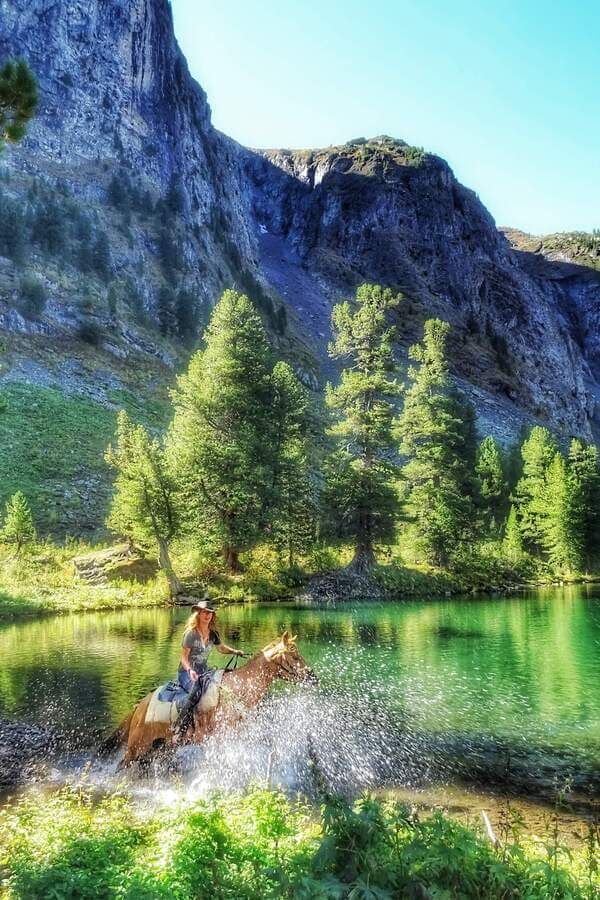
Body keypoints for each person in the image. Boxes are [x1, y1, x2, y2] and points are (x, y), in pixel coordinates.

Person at [172, 599, 245, 740]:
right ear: (199, 614)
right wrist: (190, 671)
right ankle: (179, 726)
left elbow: (221, 648)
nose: (208, 616)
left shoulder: (213, 634)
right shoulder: (190, 634)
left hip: (204, 671)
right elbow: (183, 658)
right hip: (186, 673)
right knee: (197, 691)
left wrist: (235, 651)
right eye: (205, 612)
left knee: (221, 687)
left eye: (210, 613)